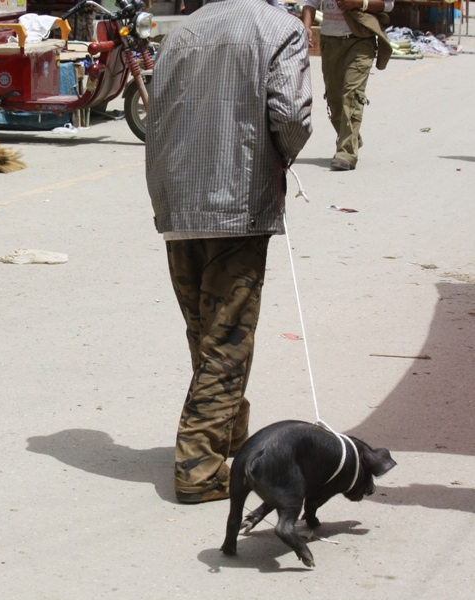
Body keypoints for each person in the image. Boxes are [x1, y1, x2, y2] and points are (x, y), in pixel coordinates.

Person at [145, 0, 313, 504]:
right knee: (227, 338)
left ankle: (230, 434)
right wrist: (282, 156)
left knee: (205, 326)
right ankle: (198, 469)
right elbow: (291, 116)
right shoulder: (280, 27)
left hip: (178, 198)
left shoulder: (182, 31)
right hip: (236, 200)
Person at [302, 0, 394, 171]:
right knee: (334, 99)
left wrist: (361, 3)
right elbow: (310, 2)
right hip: (330, 42)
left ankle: (347, 152)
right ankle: (352, 137)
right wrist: (307, 26)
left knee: (352, 95)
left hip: (360, 40)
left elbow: (388, 4)